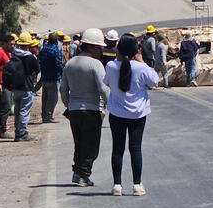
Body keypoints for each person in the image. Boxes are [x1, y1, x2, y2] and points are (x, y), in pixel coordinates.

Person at [104, 34, 158, 196]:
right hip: (137, 114)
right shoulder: (141, 68)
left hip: (117, 113)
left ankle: (117, 185)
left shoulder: (111, 66)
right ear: (137, 50)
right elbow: (154, 81)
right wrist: (142, 61)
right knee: (135, 148)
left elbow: (106, 82)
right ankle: (137, 185)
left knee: (117, 149)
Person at [60, 28, 110, 187]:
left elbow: (63, 89)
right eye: (100, 47)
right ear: (93, 47)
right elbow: (103, 88)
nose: (102, 51)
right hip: (92, 110)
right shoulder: (96, 64)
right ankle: (83, 175)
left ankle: (77, 172)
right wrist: (109, 105)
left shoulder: (70, 63)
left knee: (79, 142)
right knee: (91, 145)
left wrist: (69, 105)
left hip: (74, 110)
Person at [9, 32, 41, 142]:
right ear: (28, 45)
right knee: (24, 111)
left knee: (17, 111)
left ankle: (17, 132)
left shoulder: (14, 55)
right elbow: (37, 69)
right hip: (27, 87)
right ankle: (22, 133)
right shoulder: (30, 57)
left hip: (15, 87)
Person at [0, 34, 16, 138]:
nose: (13, 46)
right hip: (2, 84)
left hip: (8, 84)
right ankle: (1, 131)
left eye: (14, 44)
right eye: (11, 44)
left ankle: (2, 129)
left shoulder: (8, 53)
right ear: (5, 44)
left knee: (7, 107)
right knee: (4, 108)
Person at [38, 33, 64, 124]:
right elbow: (59, 64)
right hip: (53, 77)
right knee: (53, 98)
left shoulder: (43, 49)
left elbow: (39, 61)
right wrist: (63, 73)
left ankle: (44, 115)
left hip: (45, 77)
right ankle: (48, 116)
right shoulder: (55, 50)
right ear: (56, 41)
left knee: (45, 98)